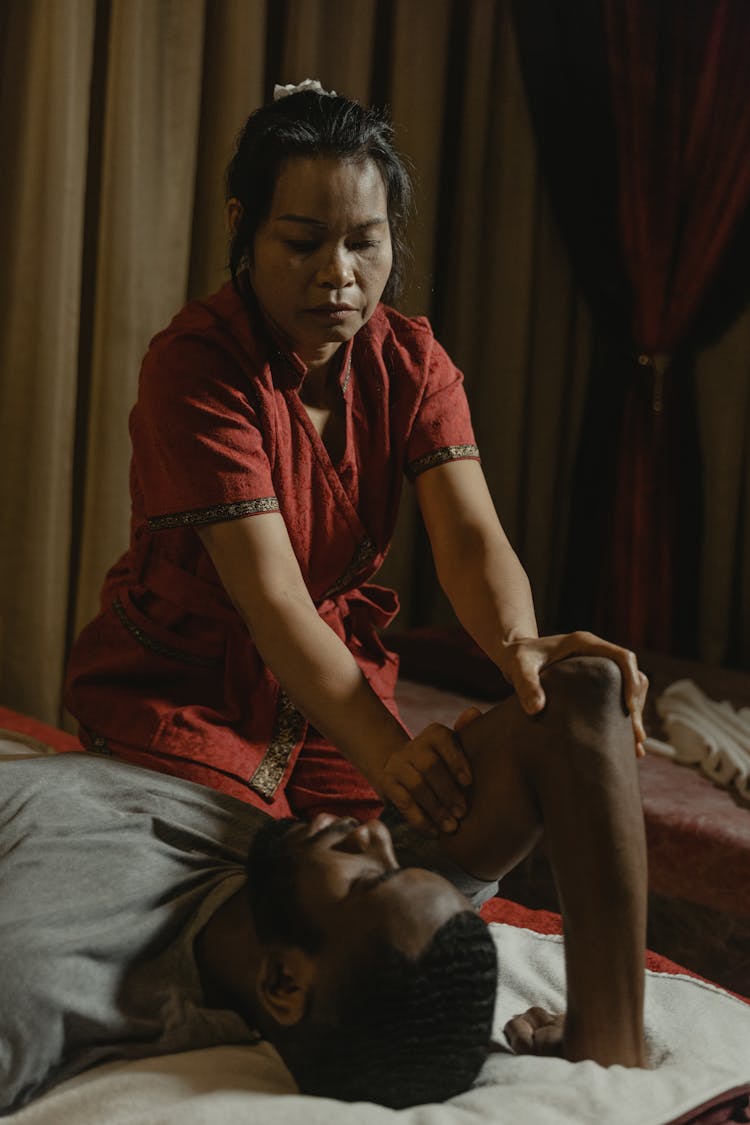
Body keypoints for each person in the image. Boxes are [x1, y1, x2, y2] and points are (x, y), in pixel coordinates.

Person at [64, 80, 648, 842]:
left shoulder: (412, 361)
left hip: (333, 672)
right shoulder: (196, 367)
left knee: (395, 858)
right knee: (251, 871)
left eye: (364, 241)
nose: (338, 273)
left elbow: (471, 539)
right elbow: (272, 597)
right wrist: (388, 751)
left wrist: (517, 646)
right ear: (244, 225)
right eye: (304, 242)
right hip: (188, 681)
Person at [1, 655, 646, 1114]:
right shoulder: (302, 882)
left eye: (368, 883)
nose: (377, 839)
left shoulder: (42, 980)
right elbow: (581, 691)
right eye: (400, 865)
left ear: (284, 983)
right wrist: (606, 1039)